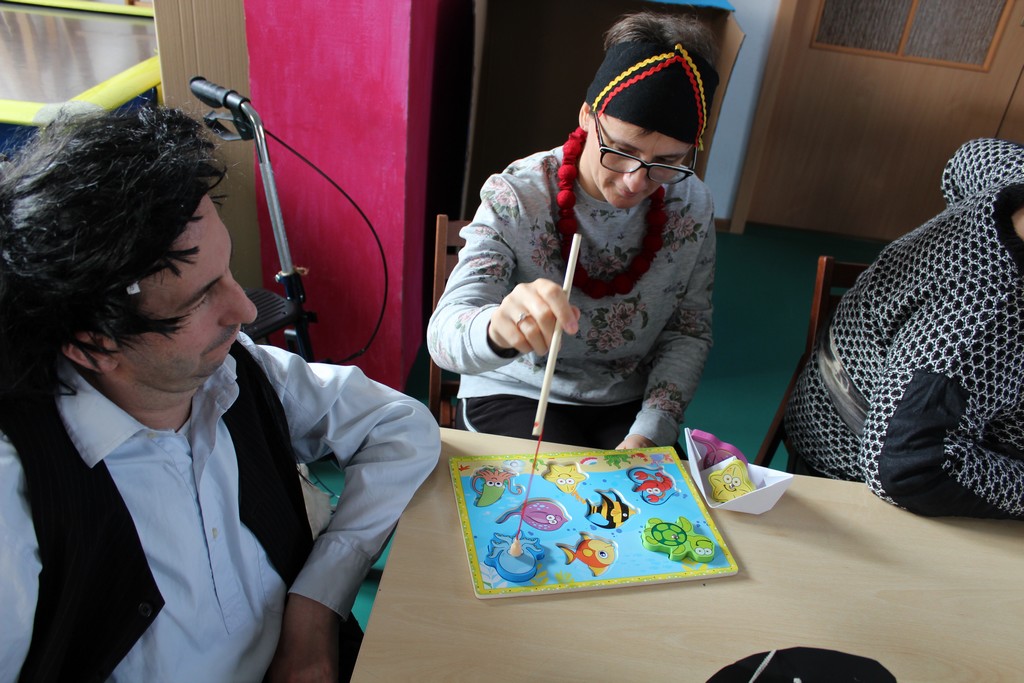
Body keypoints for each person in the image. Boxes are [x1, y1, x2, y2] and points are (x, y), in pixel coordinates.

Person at [0, 105, 441, 682]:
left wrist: (315, 608)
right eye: (199, 299)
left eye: (228, 273)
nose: (243, 310)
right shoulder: (20, 491)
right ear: (92, 344)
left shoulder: (235, 373)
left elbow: (400, 426)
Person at [427, 10, 720, 451]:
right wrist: (497, 329)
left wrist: (650, 429)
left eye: (667, 162)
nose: (634, 181)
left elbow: (688, 332)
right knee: (551, 486)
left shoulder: (692, 204)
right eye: (621, 150)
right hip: (515, 389)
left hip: (625, 402)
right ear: (587, 115)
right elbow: (444, 338)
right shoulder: (518, 195)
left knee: (642, 494)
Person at [784, 138, 1024, 520]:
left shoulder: (1012, 174)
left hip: (898, 404)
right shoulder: (982, 313)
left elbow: (969, 157)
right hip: (852, 462)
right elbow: (906, 468)